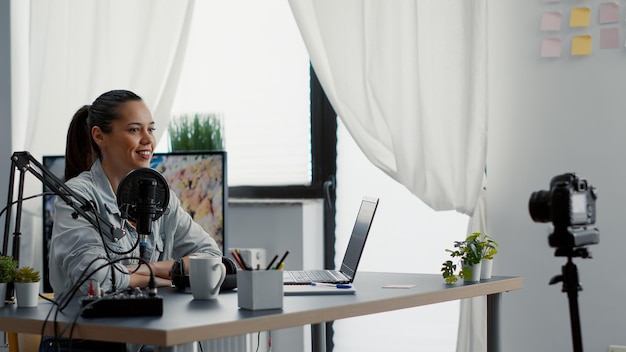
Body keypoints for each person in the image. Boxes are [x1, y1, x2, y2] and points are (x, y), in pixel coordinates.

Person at [44, 90, 222, 351]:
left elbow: (211, 258)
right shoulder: (77, 196)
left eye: (151, 129)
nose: (148, 140)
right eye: (135, 130)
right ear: (99, 136)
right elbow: (95, 279)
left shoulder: (160, 195)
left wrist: (143, 273)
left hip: (142, 337)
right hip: (84, 343)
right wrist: (171, 275)